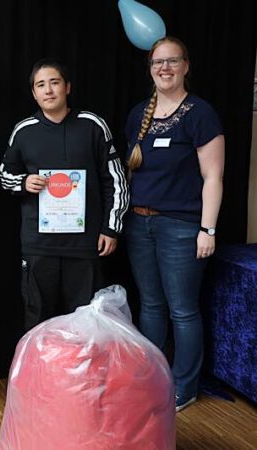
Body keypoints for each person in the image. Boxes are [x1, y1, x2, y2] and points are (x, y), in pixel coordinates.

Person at [124, 36, 224, 412]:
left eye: (172, 61)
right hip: (139, 224)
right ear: (150, 69)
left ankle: (185, 386)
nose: (164, 68)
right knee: (150, 306)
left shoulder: (200, 113)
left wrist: (207, 229)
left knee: (183, 309)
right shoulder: (138, 114)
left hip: (182, 228)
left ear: (185, 66)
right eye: (157, 63)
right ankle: (154, 380)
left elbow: (213, 177)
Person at [0, 58, 129, 332]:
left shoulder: (92, 125)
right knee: (38, 320)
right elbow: (3, 176)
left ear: (67, 87)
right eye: (40, 85)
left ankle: (84, 376)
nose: (48, 90)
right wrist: (24, 182)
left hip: (84, 245)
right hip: (39, 245)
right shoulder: (24, 130)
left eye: (54, 82)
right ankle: (40, 375)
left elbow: (115, 180)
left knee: (87, 322)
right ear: (34, 93)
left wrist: (111, 228)